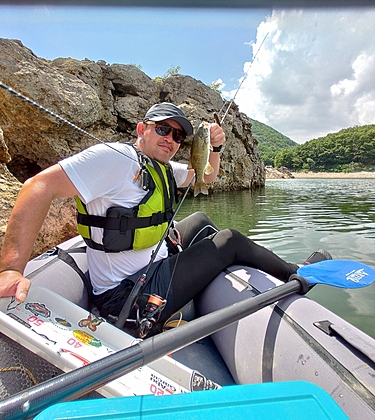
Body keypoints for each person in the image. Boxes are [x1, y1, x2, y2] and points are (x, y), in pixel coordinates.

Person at [0, 102, 331, 329]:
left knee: (200, 219)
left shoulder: (161, 167)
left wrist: (214, 148)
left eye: (178, 136)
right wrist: (12, 269)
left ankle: (209, 279)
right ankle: (299, 273)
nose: (171, 140)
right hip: (126, 297)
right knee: (229, 240)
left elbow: (206, 177)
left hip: (152, 265)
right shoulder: (114, 160)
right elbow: (37, 187)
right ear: (142, 129)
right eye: (163, 130)